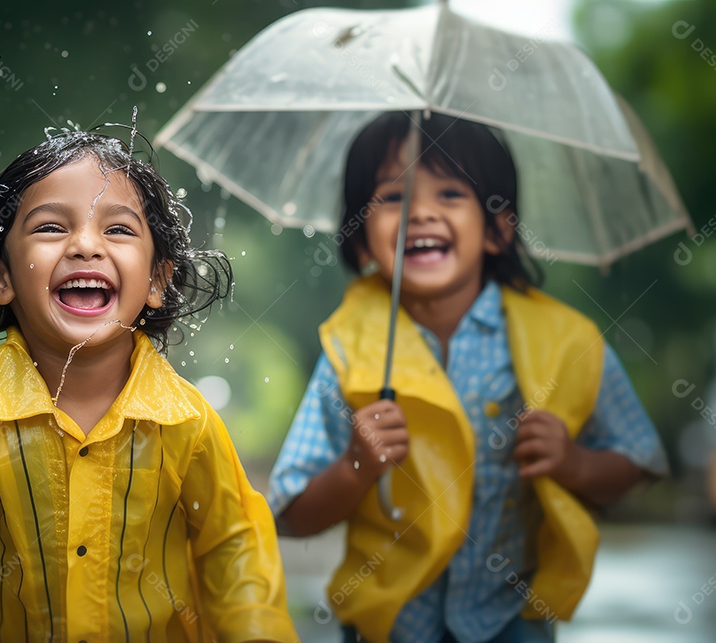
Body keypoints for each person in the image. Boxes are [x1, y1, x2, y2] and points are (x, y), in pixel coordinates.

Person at [0, 129, 297, 642]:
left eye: (119, 230)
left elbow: (237, 562)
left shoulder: (186, 424)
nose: (85, 245)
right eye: (51, 227)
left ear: (156, 282)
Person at [268, 112, 668, 643]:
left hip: (514, 621)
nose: (421, 213)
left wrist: (575, 462)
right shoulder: (350, 348)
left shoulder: (566, 342)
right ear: (361, 239)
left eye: (451, 194)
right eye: (392, 197)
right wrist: (355, 466)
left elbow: (638, 462)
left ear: (499, 229)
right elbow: (291, 516)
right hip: (389, 625)